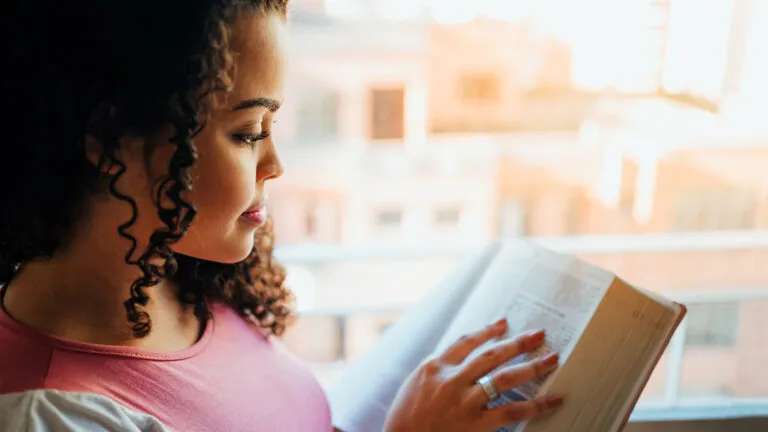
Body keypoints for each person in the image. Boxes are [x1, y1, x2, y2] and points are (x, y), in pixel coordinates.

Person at [0, 1, 564, 430]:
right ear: (112, 141)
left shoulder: (187, 277)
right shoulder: (51, 414)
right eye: (247, 133)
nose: (275, 164)